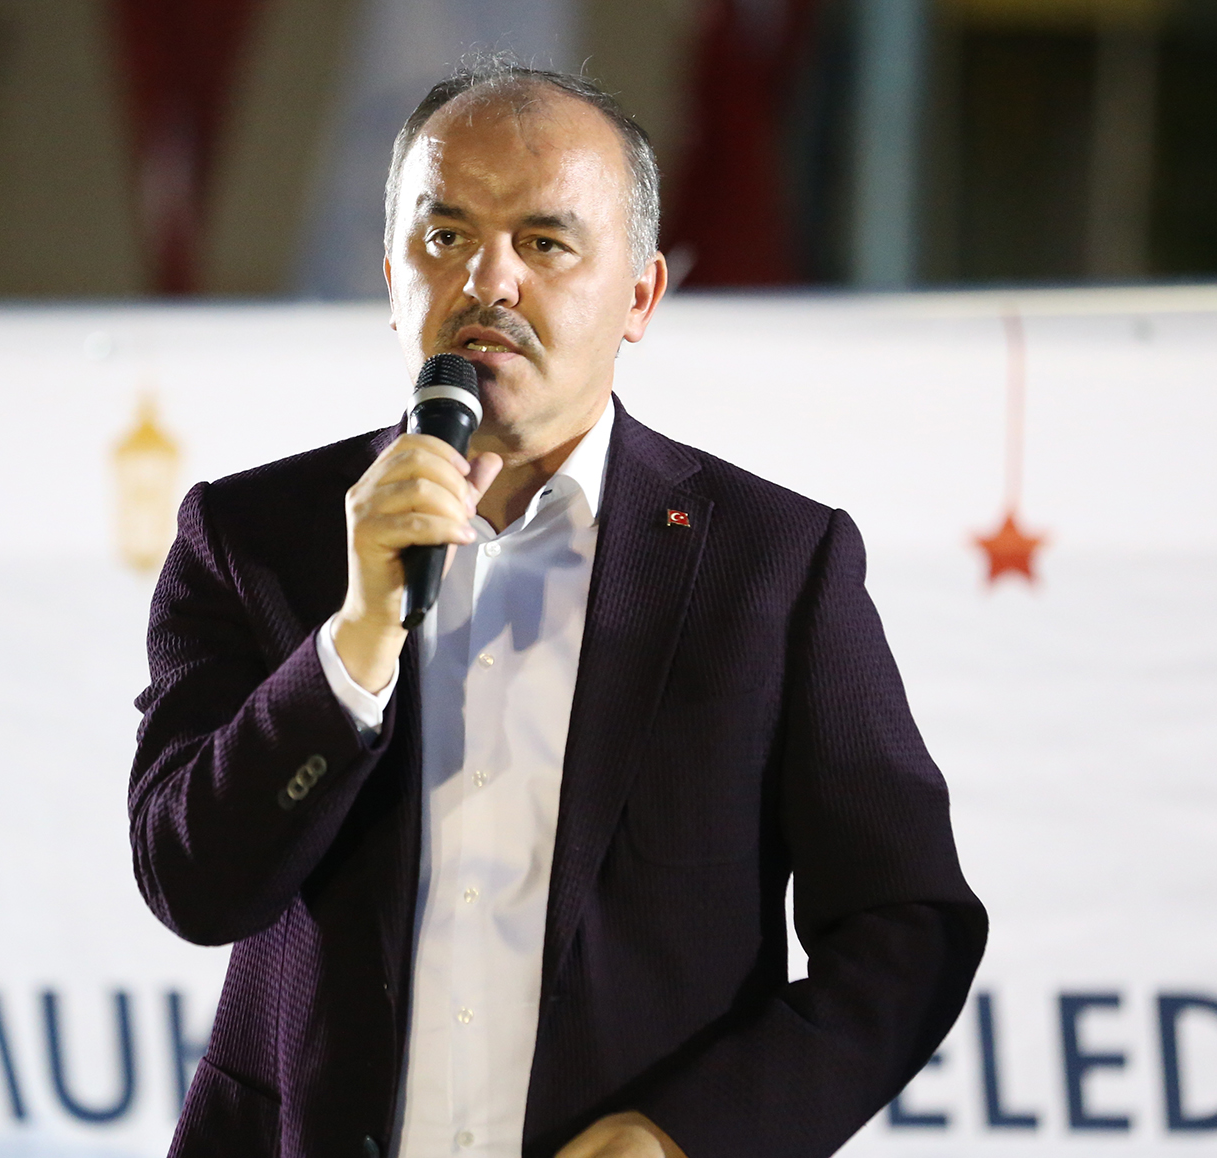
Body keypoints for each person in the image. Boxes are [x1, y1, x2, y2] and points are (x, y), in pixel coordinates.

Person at [129, 60, 986, 1158]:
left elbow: (906, 929)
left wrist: (684, 1137)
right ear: (391, 274)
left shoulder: (770, 568)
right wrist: (353, 644)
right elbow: (194, 885)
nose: (488, 280)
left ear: (639, 298)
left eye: (545, 243)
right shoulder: (255, 536)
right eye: (446, 236)